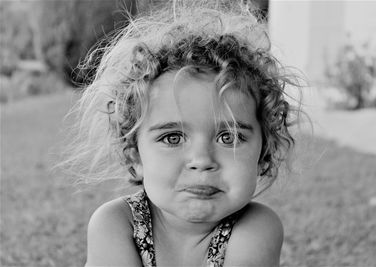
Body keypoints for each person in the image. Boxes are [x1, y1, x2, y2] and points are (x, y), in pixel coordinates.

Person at [64, 1, 301, 266]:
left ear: (262, 154)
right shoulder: (116, 224)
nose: (201, 160)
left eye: (229, 138)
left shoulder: (256, 228)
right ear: (135, 157)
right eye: (172, 138)